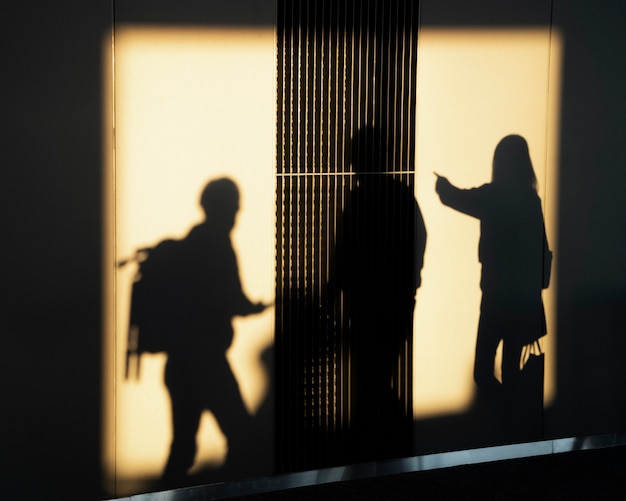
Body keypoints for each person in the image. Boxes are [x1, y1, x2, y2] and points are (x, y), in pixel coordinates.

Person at [435, 135, 551, 432]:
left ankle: (503, 416)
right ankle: (512, 423)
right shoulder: (530, 200)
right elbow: (542, 253)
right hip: (524, 302)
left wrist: (442, 185)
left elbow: (458, 198)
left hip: (497, 299)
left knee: (482, 370)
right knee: (512, 368)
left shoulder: (494, 195)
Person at [161, 178, 267, 486]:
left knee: (182, 448)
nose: (237, 215)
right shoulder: (217, 245)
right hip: (206, 364)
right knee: (244, 438)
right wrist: (256, 307)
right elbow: (232, 299)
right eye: (233, 208)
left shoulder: (189, 245)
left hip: (179, 365)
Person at [335, 125, 427, 461]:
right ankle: (392, 447)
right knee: (377, 377)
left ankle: (379, 449)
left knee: (369, 382)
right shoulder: (401, 196)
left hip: (367, 309)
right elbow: (417, 244)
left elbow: (342, 257)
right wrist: (409, 285)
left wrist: (330, 298)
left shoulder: (359, 201)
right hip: (395, 306)